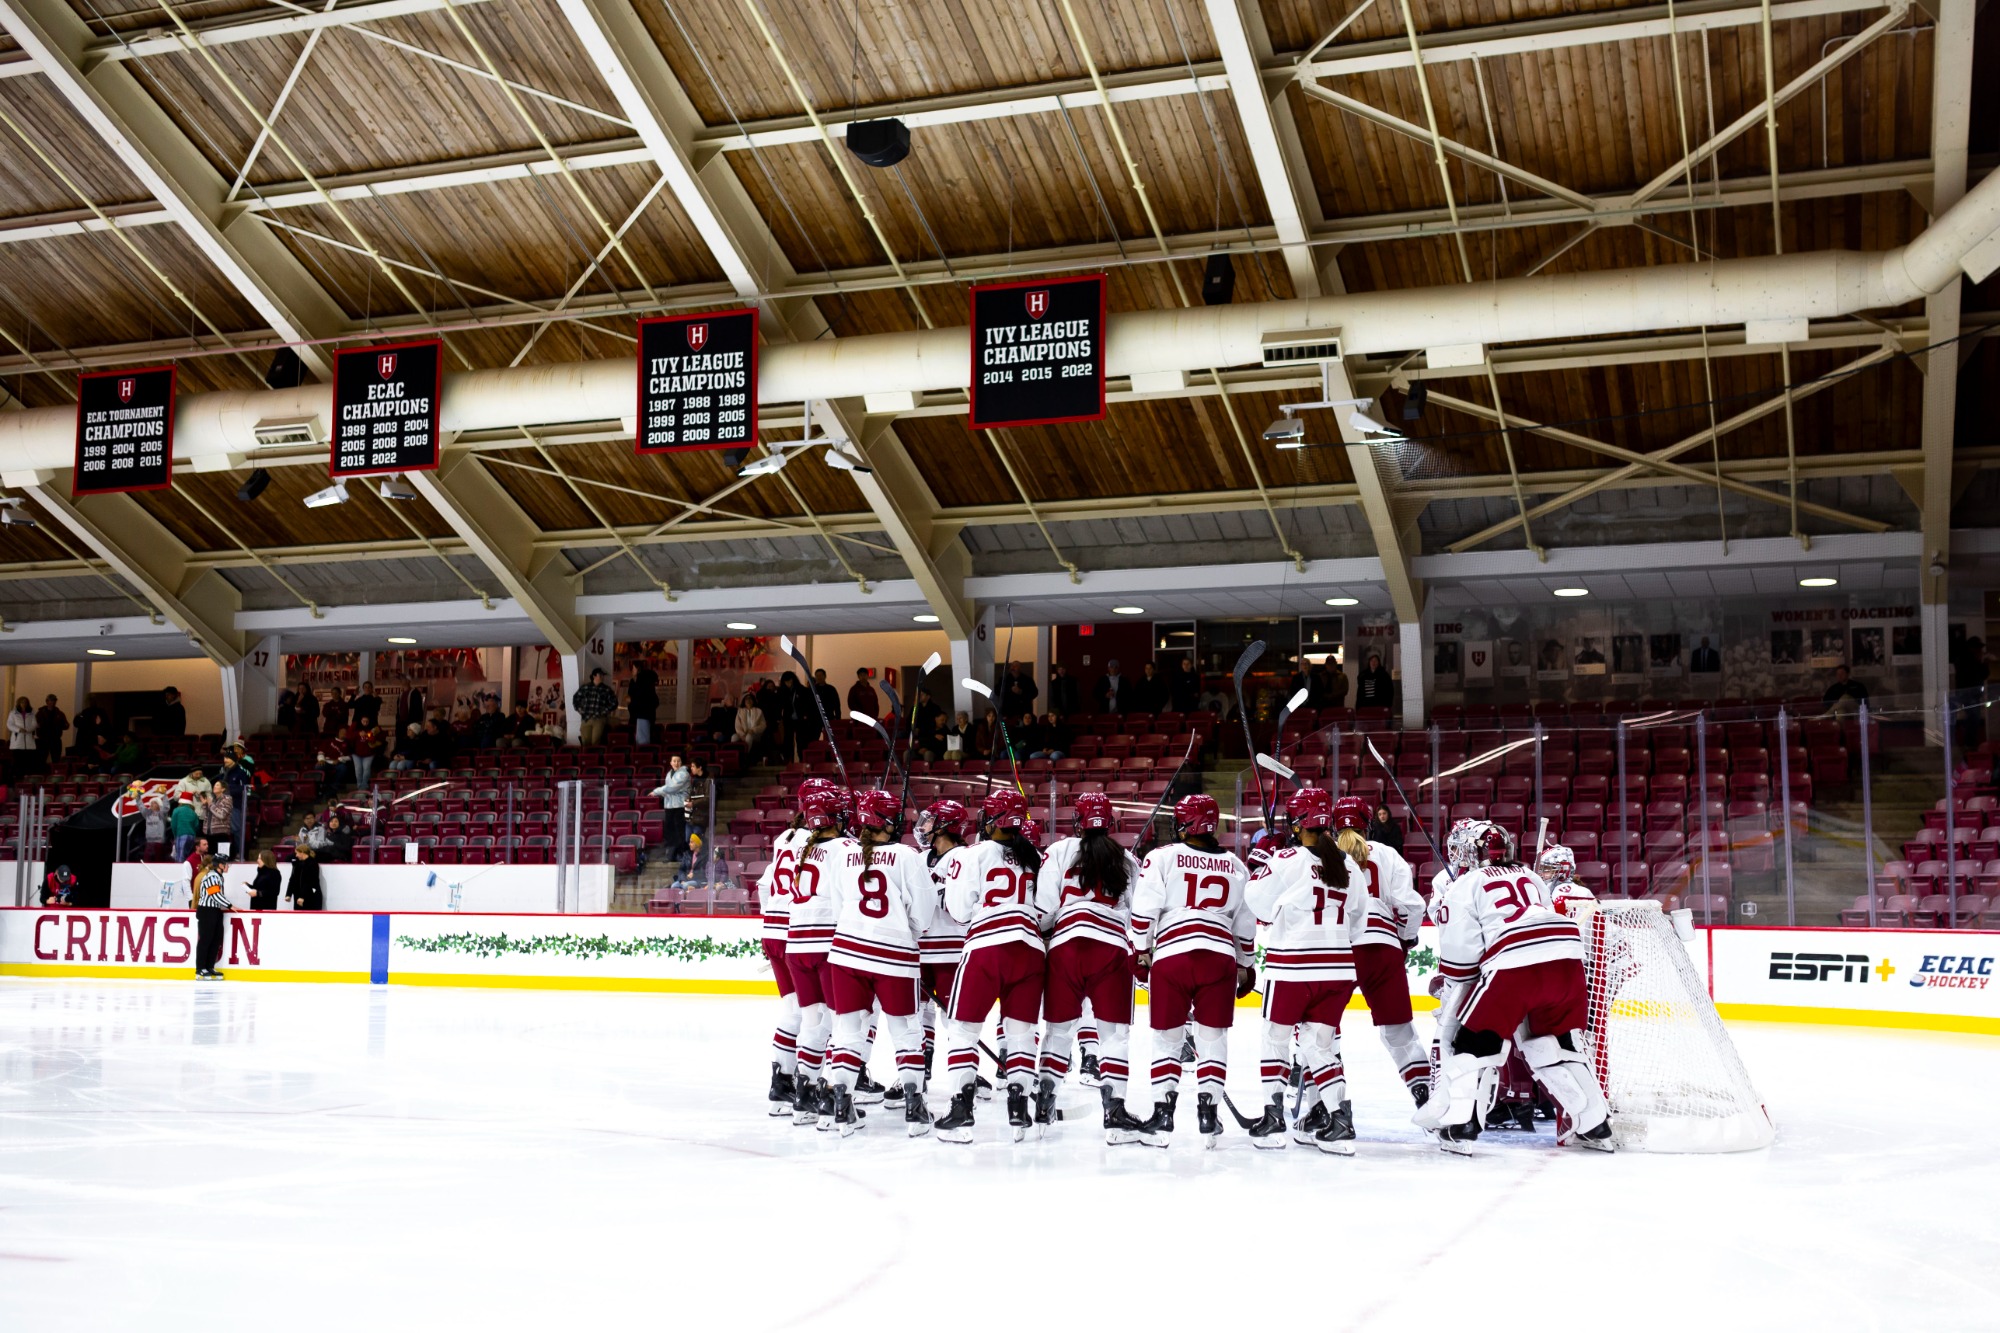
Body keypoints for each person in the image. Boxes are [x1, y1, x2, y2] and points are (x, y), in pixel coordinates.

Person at [1418, 821, 1613, 1152]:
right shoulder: (1532, 876)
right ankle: (1597, 1125)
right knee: (1555, 1043)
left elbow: (1462, 963)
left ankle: (1461, 1126)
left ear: (1471, 851)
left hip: (1515, 964)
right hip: (1566, 960)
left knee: (1472, 1043)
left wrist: (1455, 991)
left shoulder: (1465, 884)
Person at [1242, 787, 1367, 1152]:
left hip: (1293, 967)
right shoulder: (1348, 864)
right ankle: (1340, 1118)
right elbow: (1359, 920)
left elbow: (1258, 906)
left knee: (1275, 1040)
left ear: (1296, 823)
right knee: (1319, 1045)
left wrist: (1266, 862)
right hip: (1339, 968)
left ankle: (1273, 1116)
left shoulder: (1286, 860)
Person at [1129, 793, 1256, 1148]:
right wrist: (1246, 965)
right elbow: (1245, 927)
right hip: (1219, 958)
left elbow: (1144, 913)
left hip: (1173, 958)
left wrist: (1140, 951)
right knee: (1213, 1039)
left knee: (1167, 1039)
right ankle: (1208, 1115)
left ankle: (1163, 1117)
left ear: (1184, 823)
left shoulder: (1163, 857)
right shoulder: (1236, 865)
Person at [931, 789, 1047, 1144]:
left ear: (991, 820)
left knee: (963, 1031)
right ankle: (1018, 1110)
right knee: (1021, 1035)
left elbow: (960, 911)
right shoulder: (1034, 857)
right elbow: (1044, 911)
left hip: (986, 948)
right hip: (1030, 950)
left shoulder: (972, 855)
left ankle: (962, 1109)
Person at [822, 788, 938, 1137]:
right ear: (885, 821)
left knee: (847, 1031)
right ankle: (915, 1110)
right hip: (894, 955)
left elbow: (837, 904)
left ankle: (843, 1106)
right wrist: (906, 930)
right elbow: (924, 911)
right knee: (907, 1031)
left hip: (846, 953)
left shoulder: (844, 856)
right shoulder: (907, 856)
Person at [1034, 791, 1145, 1144]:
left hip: (1066, 946)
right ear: (1109, 821)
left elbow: (1045, 906)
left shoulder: (1059, 851)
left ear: (1077, 821)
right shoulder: (1128, 860)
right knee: (1114, 1035)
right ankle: (1114, 1112)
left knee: (1059, 1030)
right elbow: (1137, 915)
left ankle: (1044, 1105)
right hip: (1111, 948)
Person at [1332, 796, 1433, 1105]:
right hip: (1383, 948)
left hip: (1338, 949)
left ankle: (1329, 1108)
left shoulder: (1322, 856)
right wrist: (1406, 939)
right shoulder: (1388, 854)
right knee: (1399, 1031)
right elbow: (1412, 905)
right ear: (1370, 823)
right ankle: (1425, 1094)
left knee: (1321, 1032)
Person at [785, 783, 851, 1127]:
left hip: (796, 944)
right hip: (828, 942)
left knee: (813, 1023)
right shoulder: (845, 847)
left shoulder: (803, 848)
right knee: (842, 1023)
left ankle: (803, 1097)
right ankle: (832, 1100)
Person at [756, 780, 822, 1118]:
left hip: (774, 927)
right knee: (814, 1014)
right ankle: (810, 1085)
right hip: (797, 930)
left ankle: (780, 1084)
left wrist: (770, 922)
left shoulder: (785, 837)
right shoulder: (820, 839)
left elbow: (765, 884)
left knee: (792, 1009)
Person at [914, 799, 969, 1094]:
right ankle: (918, 1072)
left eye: (930, 821)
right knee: (917, 1013)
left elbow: (961, 903)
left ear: (945, 826)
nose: (923, 826)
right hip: (921, 950)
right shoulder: (920, 859)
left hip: (952, 950)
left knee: (954, 1017)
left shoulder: (965, 858)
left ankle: (965, 1077)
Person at [192, 851, 231, 979]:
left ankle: (209, 967)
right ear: (220, 865)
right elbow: (215, 894)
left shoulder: (219, 877)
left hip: (215, 911)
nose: (228, 866)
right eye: (226, 864)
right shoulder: (211, 877)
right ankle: (200, 969)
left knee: (216, 939)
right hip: (206, 911)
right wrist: (230, 905)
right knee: (205, 939)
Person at [1537, 844, 1594, 918]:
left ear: (1563, 870)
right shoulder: (1547, 890)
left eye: (1546, 869)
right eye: (1541, 869)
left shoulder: (1565, 892)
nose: (1542, 874)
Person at [651, 755, 690, 860]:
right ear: (671, 763)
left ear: (681, 763)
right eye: (674, 761)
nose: (676, 763)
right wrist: (662, 793)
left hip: (680, 806)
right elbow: (668, 790)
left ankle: (682, 853)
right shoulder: (669, 774)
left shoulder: (684, 773)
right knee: (670, 831)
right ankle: (672, 853)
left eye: (678, 761)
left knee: (680, 830)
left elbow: (672, 788)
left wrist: (656, 791)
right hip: (669, 806)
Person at [572, 667, 617, 746]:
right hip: (586, 718)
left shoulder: (606, 689)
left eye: (603, 675)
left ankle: (595, 757)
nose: (602, 677)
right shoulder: (585, 687)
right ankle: (587, 757)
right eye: (600, 675)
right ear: (594, 676)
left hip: (599, 718)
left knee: (596, 741)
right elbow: (576, 699)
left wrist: (604, 711)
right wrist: (580, 710)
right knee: (585, 741)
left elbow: (614, 702)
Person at [627, 664, 659, 745]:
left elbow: (641, 698)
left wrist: (632, 700)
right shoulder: (647, 682)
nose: (632, 671)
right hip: (645, 714)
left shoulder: (641, 682)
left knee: (642, 741)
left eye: (633, 669)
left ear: (638, 670)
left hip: (641, 714)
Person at [286, 844, 324, 911]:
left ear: (302, 852)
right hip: (299, 897)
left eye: (297, 853)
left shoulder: (312, 864)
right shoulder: (297, 864)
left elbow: (310, 882)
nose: (296, 855)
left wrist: (302, 897)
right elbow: (292, 879)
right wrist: (288, 894)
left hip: (310, 897)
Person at [202, 784, 235, 857]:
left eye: (217, 785)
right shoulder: (212, 800)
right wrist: (205, 805)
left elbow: (222, 815)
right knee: (210, 860)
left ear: (223, 789)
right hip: (209, 834)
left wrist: (210, 805)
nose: (214, 786)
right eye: (214, 785)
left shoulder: (227, 799)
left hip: (221, 834)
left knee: (222, 860)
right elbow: (205, 816)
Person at [34, 694, 66, 767]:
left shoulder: (59, 713)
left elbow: (65, 725)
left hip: (55, 738)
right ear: (47, 701)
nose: (52, 702)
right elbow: (35, 723)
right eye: (50, 700)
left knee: (56, 759)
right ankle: (41, 775)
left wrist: (60, 726)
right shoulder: (40, 713)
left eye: (54, 700)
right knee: (41, 759)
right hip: (43, 739)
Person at [7, 696, 35, 778]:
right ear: (19, 703)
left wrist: (28, 729)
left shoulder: (32, 713)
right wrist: (19, 729)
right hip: (17, 741)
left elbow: (34, 724)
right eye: (22, 702)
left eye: (25, 702)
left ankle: (26, 778)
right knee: (18, 762)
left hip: (28, 741)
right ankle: (18, 777)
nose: (24, 704)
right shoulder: (13, 713)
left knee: (27, 762)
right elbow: (9, 724)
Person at [732, 692, 767, 756]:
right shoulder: (740, 711)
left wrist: (753, 730)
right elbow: (737, 725)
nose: (748, 700)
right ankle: (734, 755)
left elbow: (763, 725)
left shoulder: (759, 711)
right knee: (734, 737)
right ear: (744, 701)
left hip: (755, 734)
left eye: (750, 699)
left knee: (749, 737)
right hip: (742, 733)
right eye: (746, 699)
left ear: (753, 701)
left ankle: (746, 755)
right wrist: (742, 734)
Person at [170, 795, 202, 861]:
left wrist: (175, 836)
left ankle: (180, 871)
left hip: (181, 835)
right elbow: (196, 826)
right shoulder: (193, 812)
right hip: (192, 836)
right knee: (189, 857)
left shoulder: (176, 810)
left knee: (180, 856)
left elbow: (173, 825)